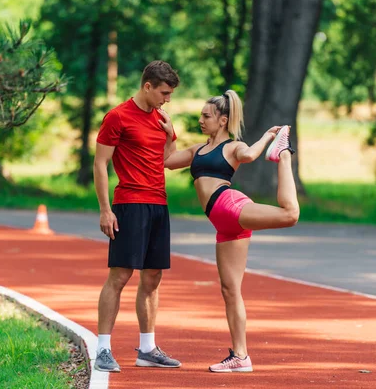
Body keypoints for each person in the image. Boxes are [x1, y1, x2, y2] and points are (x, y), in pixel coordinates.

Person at [161, 89, 300, 373]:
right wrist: (169, 133)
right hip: (223, 225)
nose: (201, 120)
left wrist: (268, 138)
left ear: (223, 120)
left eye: (206, 116)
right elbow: (168, 161)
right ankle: (241, 356)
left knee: (290, 215)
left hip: (229, 205)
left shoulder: (233, 147)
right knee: (230, 289)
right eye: (201, 115)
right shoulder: (197, 150)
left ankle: (284, 155)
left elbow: (248, 155)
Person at [93, 60, 182, 372]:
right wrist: (105, 209)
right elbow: (100, 164)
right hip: (129, 204)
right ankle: (102, 348)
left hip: (159, 204)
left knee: (153, 278)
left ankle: (147, 349)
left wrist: (172, 135)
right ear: (147, 86)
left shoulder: (162, 119)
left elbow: (168, 161)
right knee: (119, 275)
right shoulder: (117, 117)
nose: (167, 98)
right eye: (164, 92)